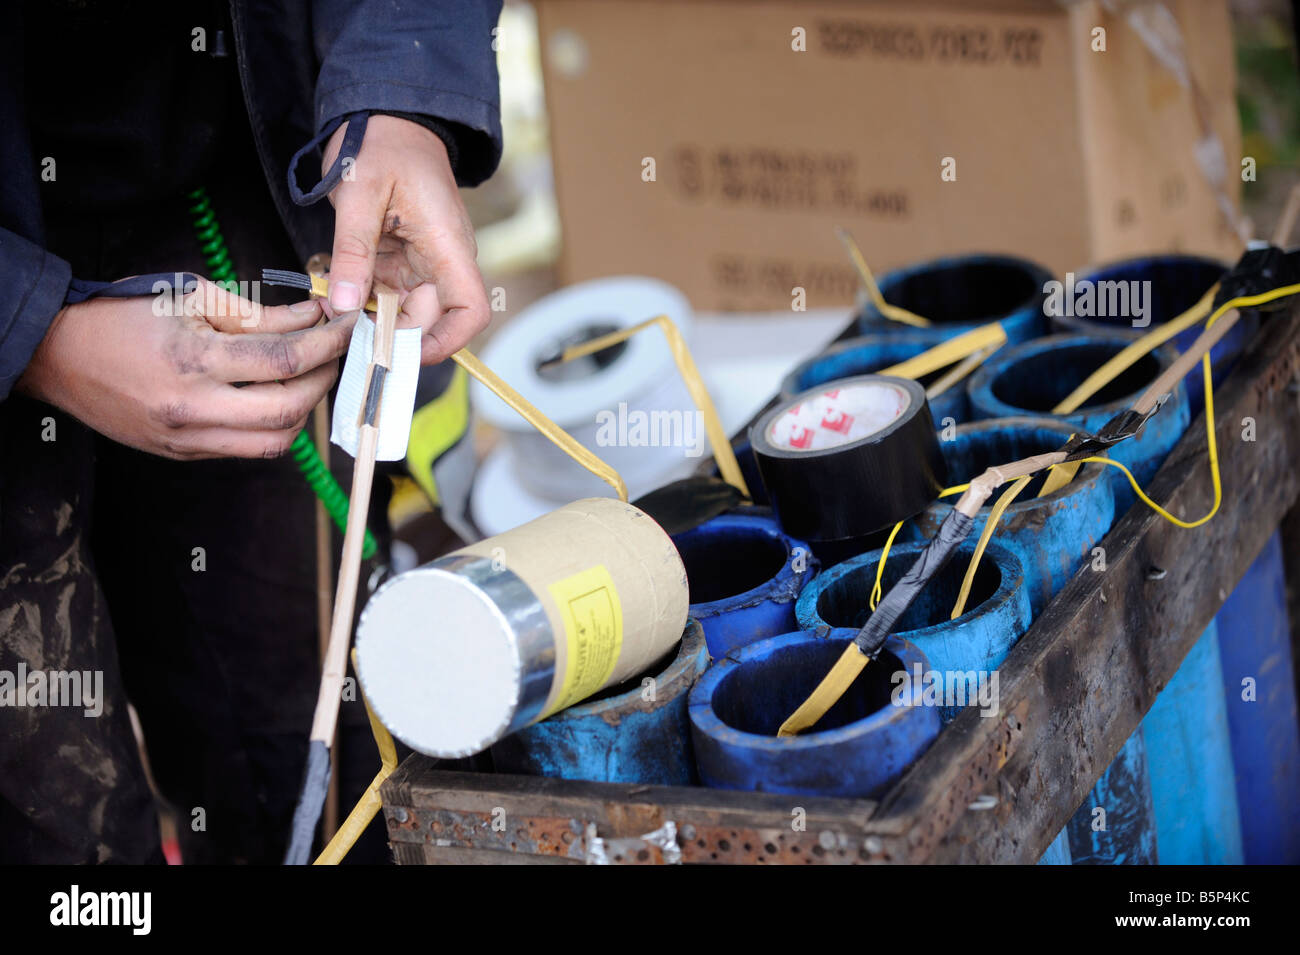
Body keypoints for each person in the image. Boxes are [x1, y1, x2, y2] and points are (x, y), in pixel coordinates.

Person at [0, 0, 502, 863]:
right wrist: (33, 327)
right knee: (57, 828)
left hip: (237, 173)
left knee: (312, 722)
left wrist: (399, 93)